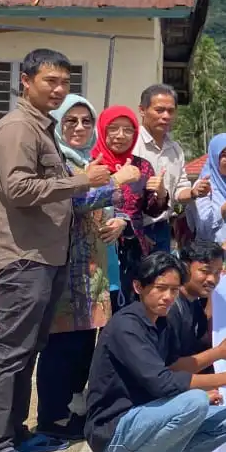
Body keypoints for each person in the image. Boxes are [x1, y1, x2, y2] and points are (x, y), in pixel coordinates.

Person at [0, 48, 113, 452]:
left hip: (45, 256)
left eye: (64, 83)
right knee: (10, 349)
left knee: (28, 348)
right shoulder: (18, 126)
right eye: (49, 81)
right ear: (26, 81)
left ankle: (14, 433)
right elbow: (18, 189)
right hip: (24, 257)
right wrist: (81, 181)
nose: (57, 89)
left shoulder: (41, 128)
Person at [83, 251, 226, 452]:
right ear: (138, 287)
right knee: (195, 402)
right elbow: (163, 383)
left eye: (173, 290)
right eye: (160, 288)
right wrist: (225, 379)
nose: (168, 297)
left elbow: (174, 366)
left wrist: (218, 355)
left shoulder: (162, 321)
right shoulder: (126, 326)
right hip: (112, 429)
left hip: (148, 416)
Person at [35, 94, 134, 441]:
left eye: (86, 121)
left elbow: (108, 207)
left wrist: (120, 219)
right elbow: (71, 202)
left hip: (93, 267)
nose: (79, 128)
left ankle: (75, 411)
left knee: (83, 345)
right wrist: (118, 183)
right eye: (70, 121)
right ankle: (52, 416)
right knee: (59, 345)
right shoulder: (56, 159)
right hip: (64, 267)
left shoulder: (92, 161)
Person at [91, 106, 169, 306]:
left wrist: (160, 193)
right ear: (102, 130)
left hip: (134, 252)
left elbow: (151, 210)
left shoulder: (142, 166)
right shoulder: (92, 164)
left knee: (129, 311)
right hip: (96, 251)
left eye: (128, 130)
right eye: (113, 129)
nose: (120, 136)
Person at [135, 84, 193, 253]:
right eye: (159, 110)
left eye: (171, 111)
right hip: (133, 230)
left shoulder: (175, 149)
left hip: (163, 230)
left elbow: (180, 190)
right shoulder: (131, 145)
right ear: (142, 110)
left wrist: (196, 192)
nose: (166, 116)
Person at [169, 241, 224, 362]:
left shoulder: (194, 302)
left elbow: (204, 338)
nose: (212, 279)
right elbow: (171, 367)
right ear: (185, 267)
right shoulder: (170, 307)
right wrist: (219, 353)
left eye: (217, 273)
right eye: (205, 271)